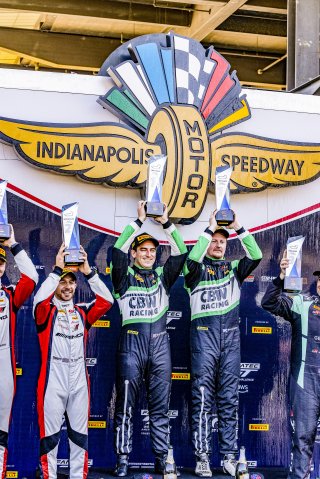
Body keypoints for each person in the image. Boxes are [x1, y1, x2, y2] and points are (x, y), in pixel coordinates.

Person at [111, 201, 187, 477]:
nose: (148, 254)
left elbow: (181, 252)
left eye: (153, 250)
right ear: (134, 253)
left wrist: (166, 223)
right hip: (131, 344)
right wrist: (139, 222)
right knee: (126, 406)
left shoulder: (163, 277)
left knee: (160, 407)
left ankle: (161, 458)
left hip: (160, 346)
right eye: (143, 249)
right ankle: (122, 459)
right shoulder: (122, 275)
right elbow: (116, 250)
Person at [184, 210, 262, 477]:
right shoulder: (193, 270)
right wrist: (208, 230)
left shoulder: (234, 270)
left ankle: (229, 456)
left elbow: (256, 255)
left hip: (230, 343)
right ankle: (202, 457)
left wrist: (238, 226)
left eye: (222, 242)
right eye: (214, 241)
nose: (218, 245)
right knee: (203, 400)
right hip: (203, 342)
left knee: (229, 401)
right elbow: (192, 256)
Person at [33, 243, 113, 478]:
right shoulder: (45, 312)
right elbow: (38, 301)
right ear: (56, 284)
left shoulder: (83, 311)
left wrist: (89, 272)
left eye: (71, 282)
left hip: (79, 382)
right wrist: (56, 271)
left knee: (80, 437)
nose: (67, 287)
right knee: (50, 439)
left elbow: (107, 301)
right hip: (52, 382)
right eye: (63, 282)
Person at [261, 251, 320, 479]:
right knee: (303, 438)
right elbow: (269, 303)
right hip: (306, 383)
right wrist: (281, 278)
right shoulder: (302, 303)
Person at [0, 225, 39, 476]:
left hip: (4, 368)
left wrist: (13, 245)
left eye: (1, 263)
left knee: (1, 432)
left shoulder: (9, 295)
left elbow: (32, 278)